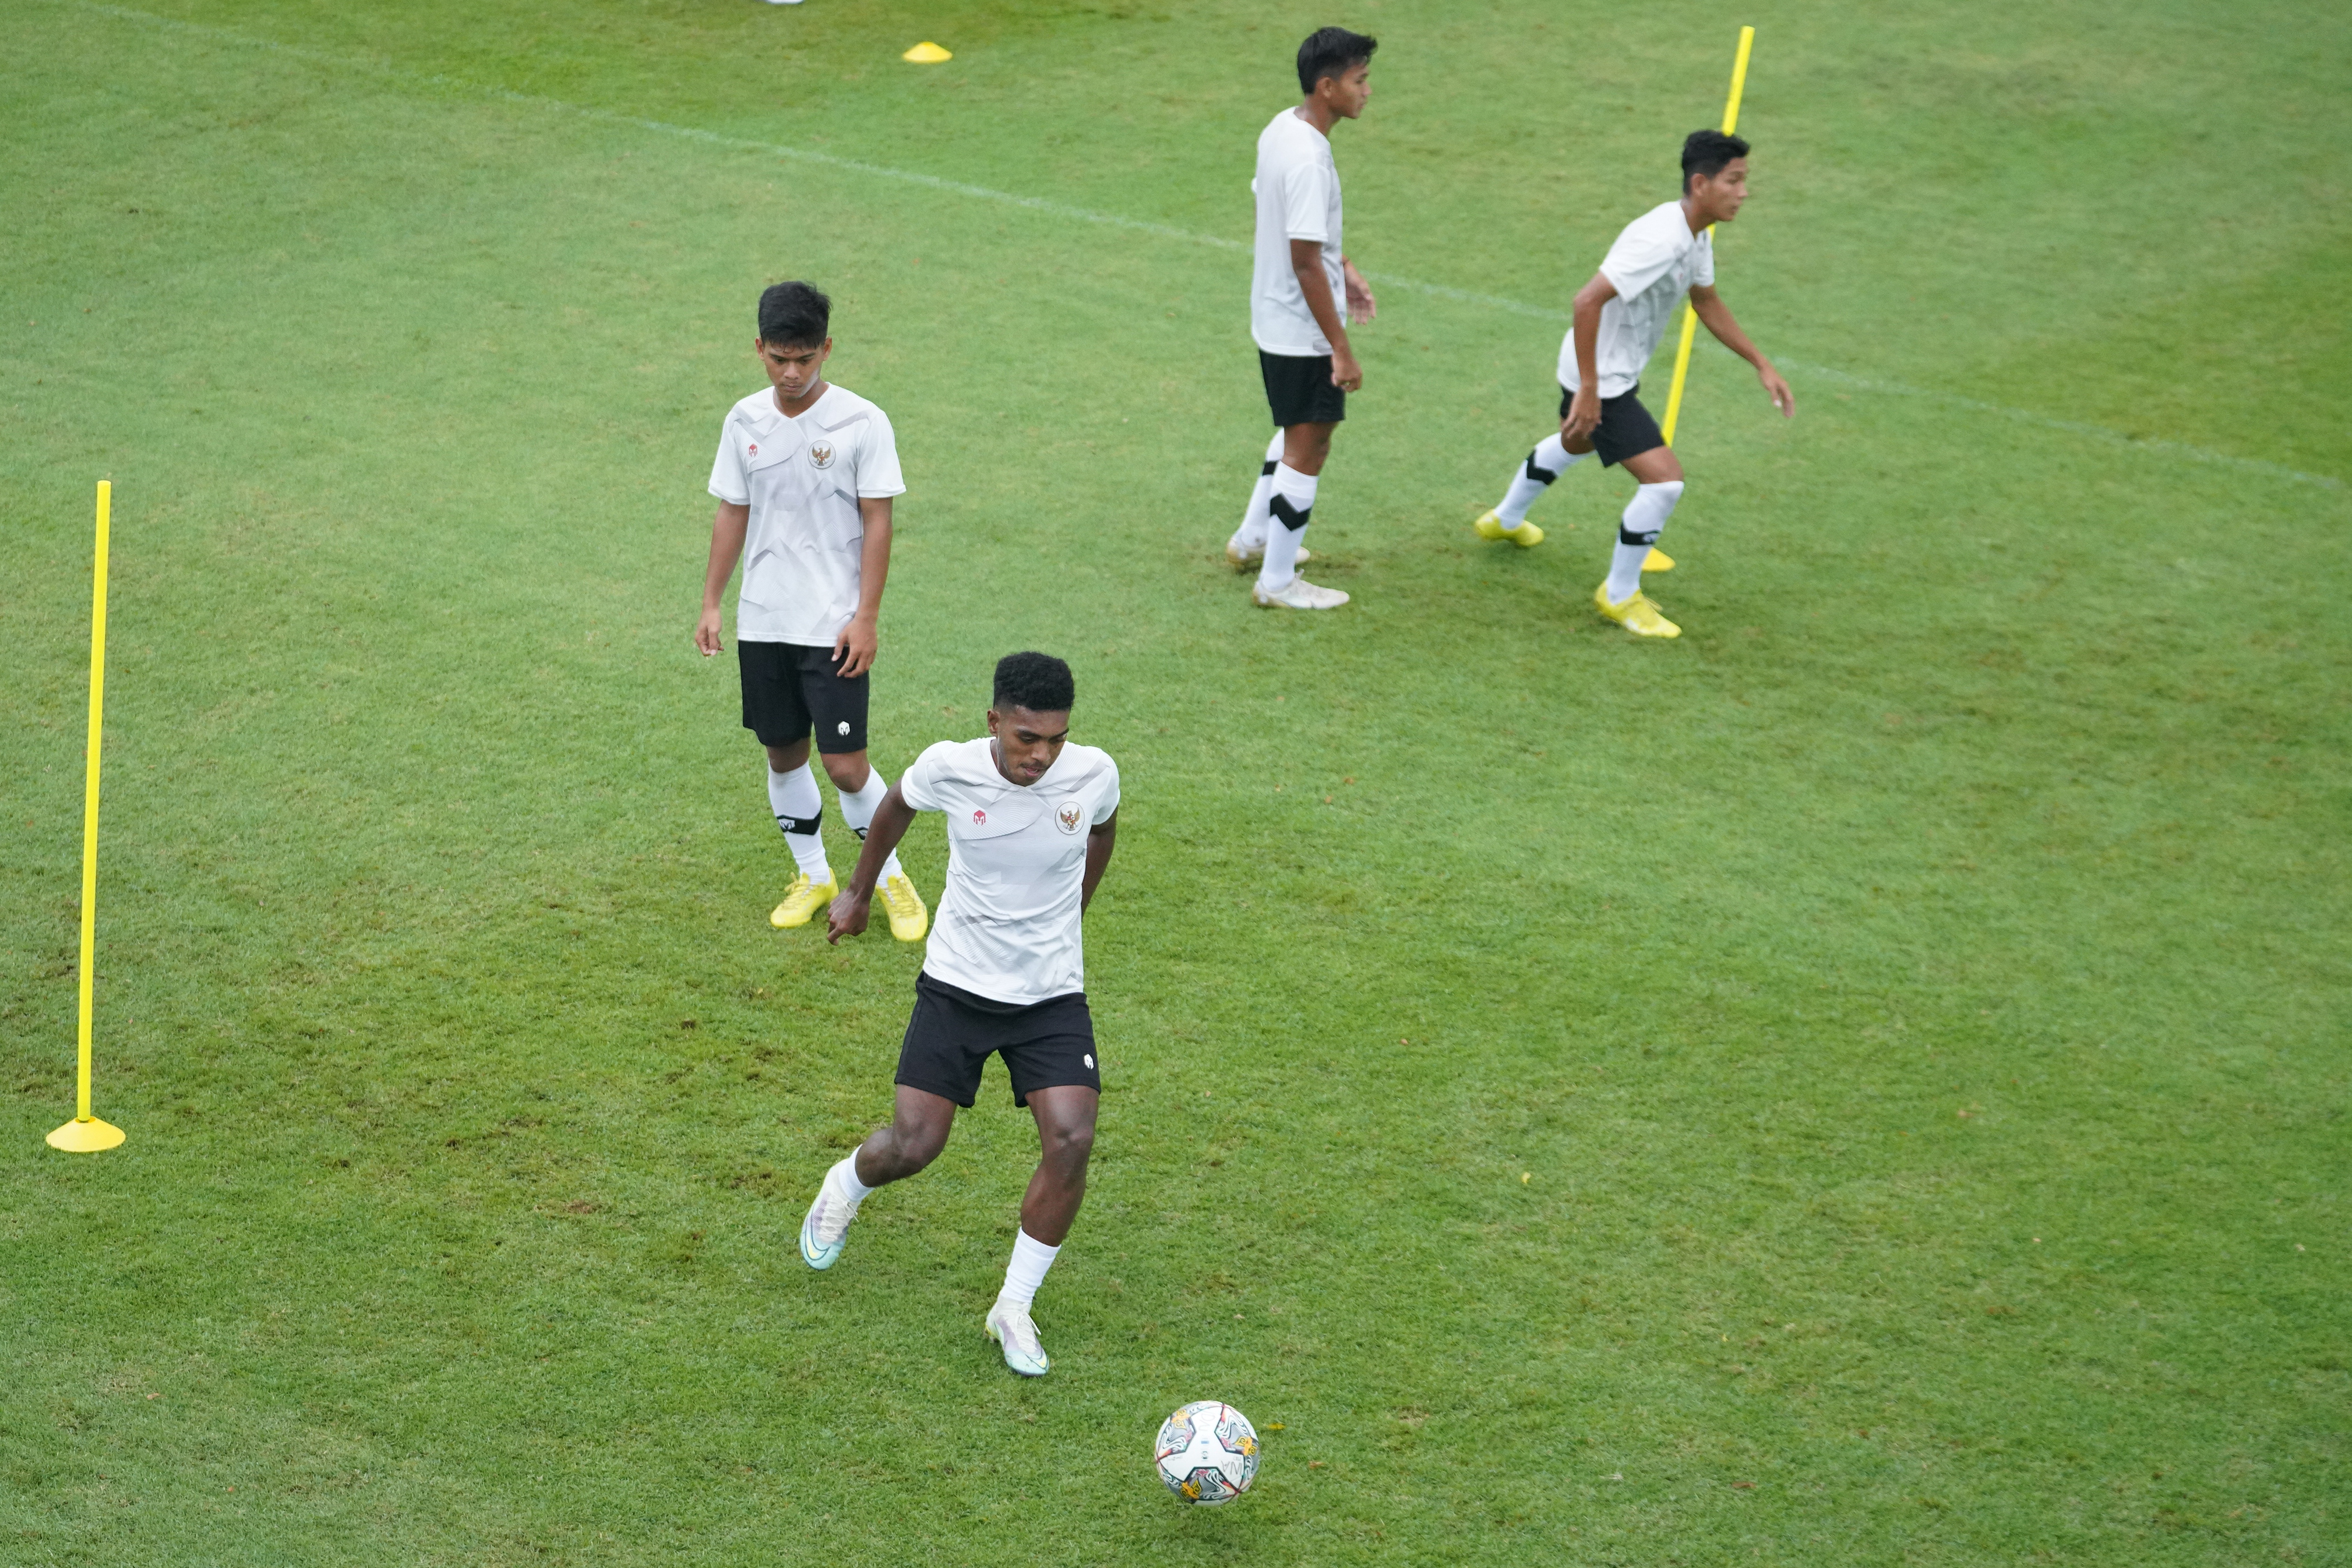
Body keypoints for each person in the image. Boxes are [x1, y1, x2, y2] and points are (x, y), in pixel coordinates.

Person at [799, 652, 1120, 1379]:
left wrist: (1073, 911)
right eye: (1026, 738)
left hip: (1049, 994)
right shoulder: (950, 766)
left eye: (1056, 740)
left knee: (1072, 1139)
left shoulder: (1094, 773)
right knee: (914, 1146)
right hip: (957, 984)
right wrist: (857, 891)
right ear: (994, 722)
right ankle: (845, 1185)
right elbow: (894, 806)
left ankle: (1013, 1306)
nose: (1041, 755)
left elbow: (1102, 831)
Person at [1471, 129, 1794, 638]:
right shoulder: (1660, 240)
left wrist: (1760, 363)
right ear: (1701, 183)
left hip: (1603, 370)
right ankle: (1619, 595)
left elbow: (1705, 300)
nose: (1743, 192)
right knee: (1664, 482)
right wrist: (1590, 389)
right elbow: (1586, 301)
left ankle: (1504, 520)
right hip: (1601, 377)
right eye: (1733, 181)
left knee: (1576, 442)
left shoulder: (1695, 234)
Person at [696, 281, 928, 940]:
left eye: (804, 359)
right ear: (759, 349)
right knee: (782, 755)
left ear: (827, 349)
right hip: (764, 620)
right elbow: (732, 511)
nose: (792, 373)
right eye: (779, 359)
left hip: (833, 625)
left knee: (846, 765)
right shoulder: (743, 420)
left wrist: (866, 616)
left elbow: (878, 522)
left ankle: (888, 880)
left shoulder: (862, 422)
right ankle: (813, 874)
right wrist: (712, 601)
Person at [1223, 26, 1380, 611]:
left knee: (1295, 428)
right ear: (1327, 86)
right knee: (1310, 444)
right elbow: (1305, 260)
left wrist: (1345, 267)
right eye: (1359, 80)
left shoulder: (1280, 128)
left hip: (1272, 313)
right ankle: (1277, 581)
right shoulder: (1311, 158)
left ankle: (1253, 539)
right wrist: (1340, 347)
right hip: (1302, 327)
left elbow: (1293, 225)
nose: (1367, 91)